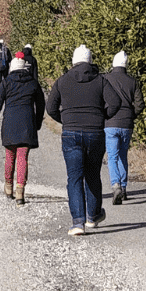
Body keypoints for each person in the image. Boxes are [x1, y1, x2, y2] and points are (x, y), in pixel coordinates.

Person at [46, 45, 111, 236]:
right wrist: (101, 117)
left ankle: (77, 223)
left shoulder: (63, 81)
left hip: (71, 133)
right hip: (95, 133)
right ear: (90, 61)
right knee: (93, 175)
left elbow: (51, 108)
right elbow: (115, 103)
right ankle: (93, 216)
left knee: (74, 178)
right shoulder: (100, 80)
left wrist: (65, 119)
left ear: (73, 62)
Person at [0, 52, 44, 203]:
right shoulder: (32, 82)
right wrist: (37, 123)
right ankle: (20, 191)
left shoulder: (6, 82)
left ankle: (8, 187)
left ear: (12, 67)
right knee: (22, 158)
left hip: (10, 123)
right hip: (27, 123)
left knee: (10, 156)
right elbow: (41, 104)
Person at [102, 50, 143, 206]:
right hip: (127, 123)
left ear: (113, 63)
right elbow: (140, 104)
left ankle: (116, 185)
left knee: (112, 155)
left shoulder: (106, 79)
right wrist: (131, 115)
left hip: (111, 122)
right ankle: (124, 187)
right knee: (123, 155)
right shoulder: (132, 82)